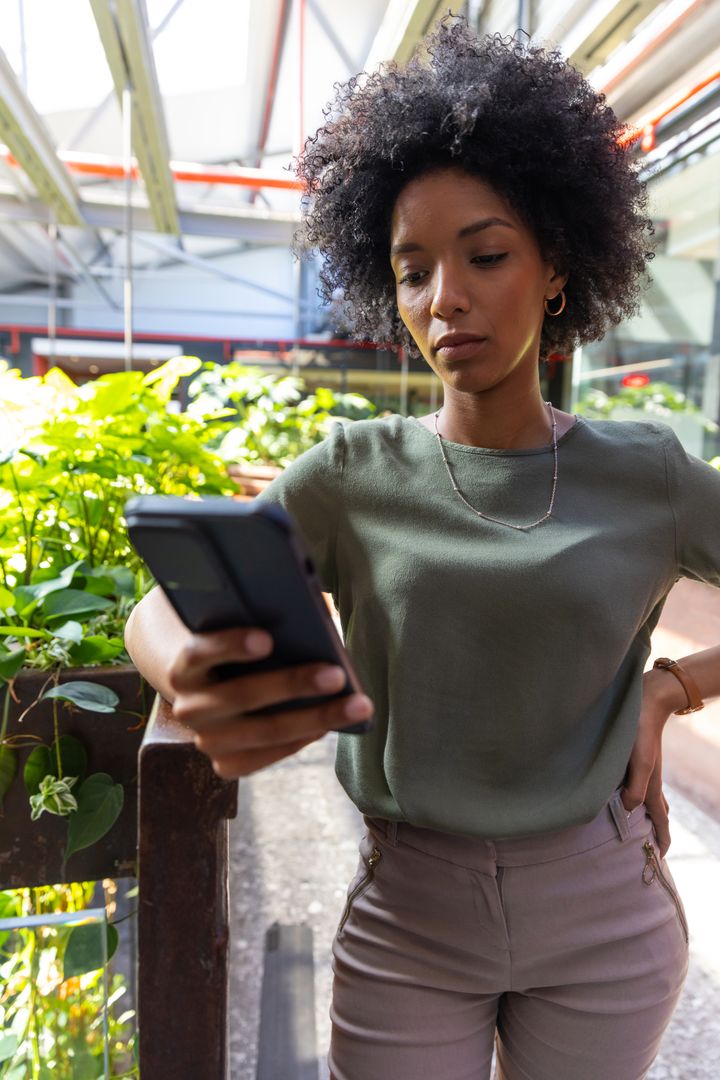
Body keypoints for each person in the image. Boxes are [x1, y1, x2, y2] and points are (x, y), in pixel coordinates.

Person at [125, 17, 720, 1079]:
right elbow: (159, 603)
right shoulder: (358, 470)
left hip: (603, 911)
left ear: (555, 269)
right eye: (411, 271)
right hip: (411, 914)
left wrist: (675, 684)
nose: (444, 298)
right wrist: (183, 668)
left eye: (486, 255)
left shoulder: (649, 474)